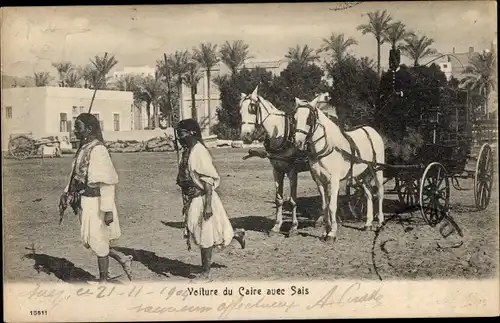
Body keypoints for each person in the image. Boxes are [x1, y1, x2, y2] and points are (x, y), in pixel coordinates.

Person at [58, 113, 133, 283]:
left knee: (98, 241)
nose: (75, 131)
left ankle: (103, 280)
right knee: (91, 240)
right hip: (85, 202)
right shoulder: (84, 148)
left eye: (78, 127)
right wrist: (66, 192)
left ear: (89, 129)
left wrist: (107, 210)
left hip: (97, 202)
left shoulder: (98, 150)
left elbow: (107, 183)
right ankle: (121, 258)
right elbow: (75, 176)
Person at [175, 118, 245, 279]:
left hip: (204, 198)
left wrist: (207, 206)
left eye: (182, 134)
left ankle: (205, 272)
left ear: (191, 133)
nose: (179, 138)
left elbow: (207, 181)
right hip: (195, 198)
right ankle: (236, 234)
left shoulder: (199, 152)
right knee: (197, 229)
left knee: (204, 233)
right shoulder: (188, 150)